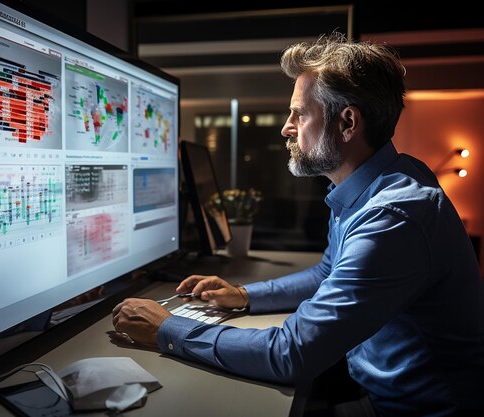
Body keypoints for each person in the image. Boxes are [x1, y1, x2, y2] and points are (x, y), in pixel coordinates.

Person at [112, 34, 484, 416]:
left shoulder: (391, 217)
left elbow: (292, 354)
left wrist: (167, 330)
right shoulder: (379, 182)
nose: (286, 128)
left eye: (299, 114)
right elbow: (329, 272)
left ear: (348, 122)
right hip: (374, 388)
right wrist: (245, 295)